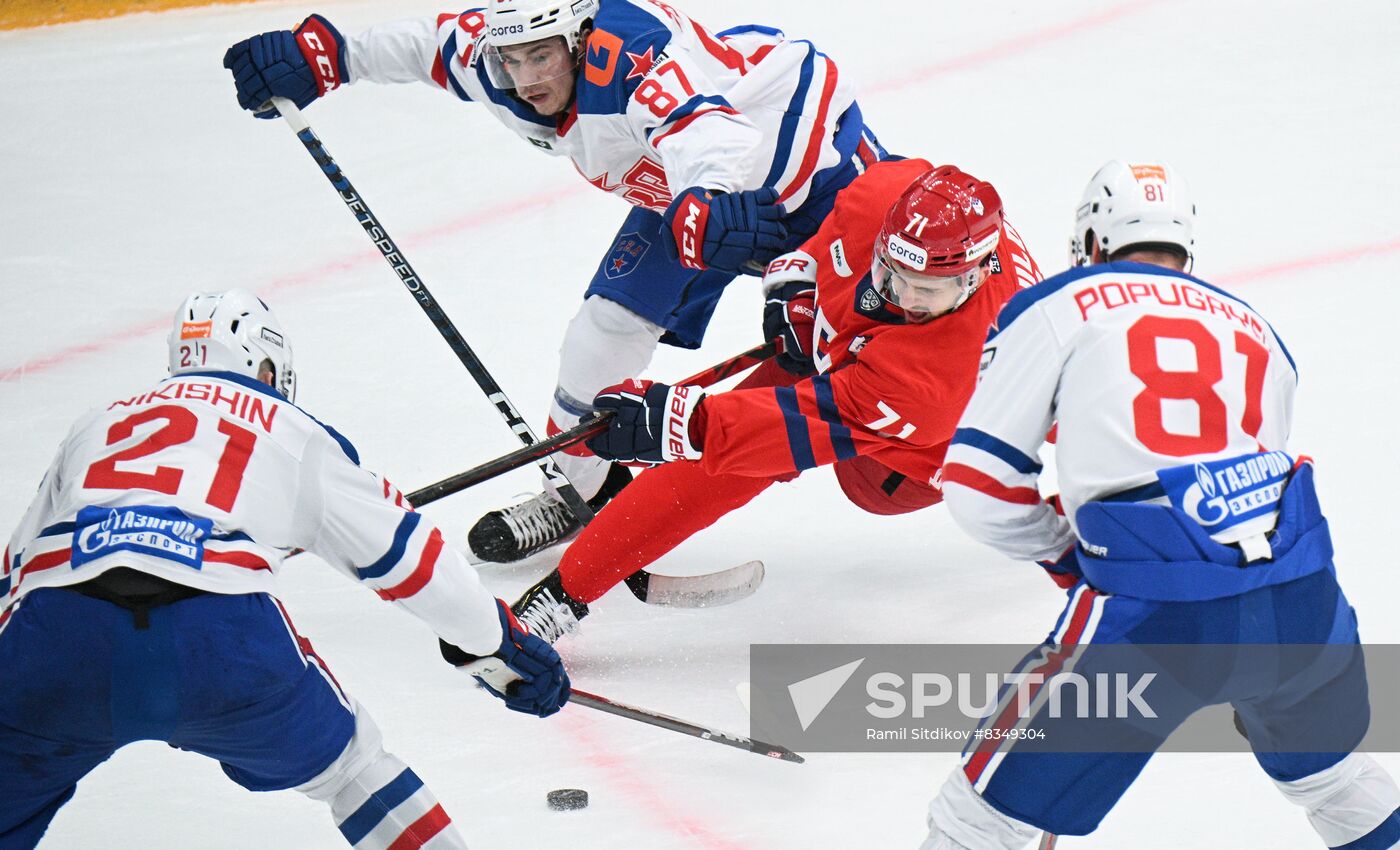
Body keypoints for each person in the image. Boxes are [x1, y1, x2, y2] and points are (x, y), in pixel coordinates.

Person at [222, 0, 891, 564]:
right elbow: (429, 47)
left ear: (579, 40)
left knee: (869, 343)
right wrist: (327, 55)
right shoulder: (503, 55)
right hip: (688, 193)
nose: (524, 78)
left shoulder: (631, 59)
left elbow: (707, 129)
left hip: (808, 171)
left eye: (541, 58)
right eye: (510, 61)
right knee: (603, 329)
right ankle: (574, 491)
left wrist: (708, 199)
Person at [918, 162, 1400, 848]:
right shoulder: (1259, 328)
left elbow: (978, 486)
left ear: (1090, 240)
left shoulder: (1061, 304)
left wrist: (1063, 553)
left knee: (978, 819)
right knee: (1335, 779)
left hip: (1160, 617)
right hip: (1305, 600)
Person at [0, 290, 569, 849]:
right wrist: (497, 645)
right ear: (265, 363)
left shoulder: (95, 424)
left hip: (59, 633)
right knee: (351, 771)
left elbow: (14, 573)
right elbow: (410, 561)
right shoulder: (290, 430)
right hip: (216, 639)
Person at [505, 160, 1043, 643]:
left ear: (974, 277)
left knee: (757, 459)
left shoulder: (938, 378)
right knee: (732, 448)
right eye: (890, 272)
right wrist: (798, 282)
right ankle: (574, 580)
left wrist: (678, 425)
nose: (901, 297)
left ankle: (570, 587)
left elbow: (786, 426)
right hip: (887, 374)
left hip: (925, 455)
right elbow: (832, 234)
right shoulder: (888, 190)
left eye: (925, 289)